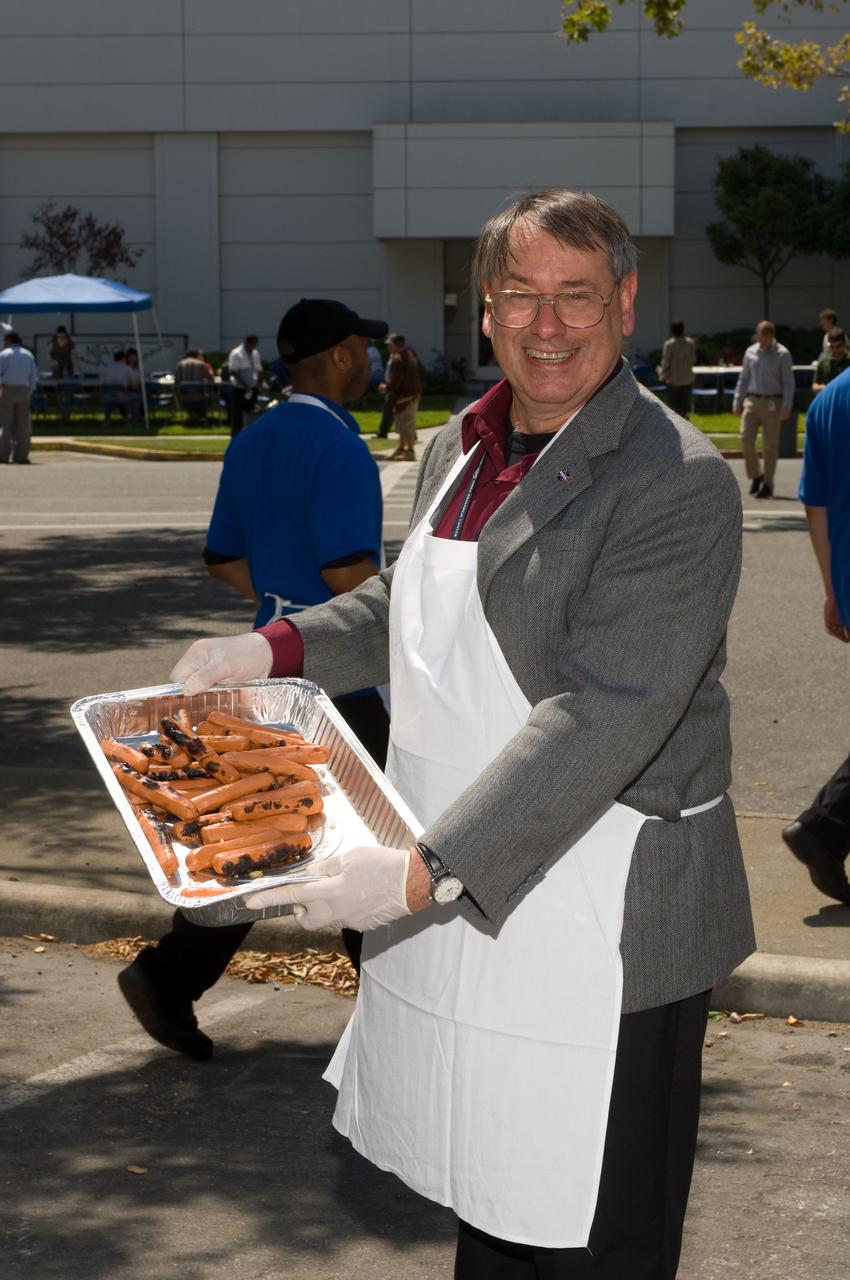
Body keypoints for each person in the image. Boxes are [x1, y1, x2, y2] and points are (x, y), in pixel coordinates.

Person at [170, 190, 755, 1277]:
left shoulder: (673, 479)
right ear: (484, 310)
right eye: (520, 295)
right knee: (491, 1191)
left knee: (592, 1226)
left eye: (575, 295)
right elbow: (407, 604)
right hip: (475, 895)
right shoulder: (458, 445)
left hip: (608, 915)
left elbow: (609, 707)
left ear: (624, 304)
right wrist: (275, 650)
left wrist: (420, 870)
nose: (547, 324)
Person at [117, 297, 391, 1061]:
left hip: (268, 662)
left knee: (272, 834)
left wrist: (279, 614)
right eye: (362, 349)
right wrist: (388, 625)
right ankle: (394, 1019)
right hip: (337, 677)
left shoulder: (256, 437)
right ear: (338, 355)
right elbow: (348, 571)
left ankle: (169, 977)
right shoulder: (339, 446)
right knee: (374, 847)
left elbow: (223, 558)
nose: (368, 361)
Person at [782, 367, 850, 905]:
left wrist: (833, 587)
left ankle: (825, 828)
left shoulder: (830, 400)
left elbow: (816, 501)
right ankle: (824, 827)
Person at [733, 319, 795, 500]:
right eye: (761, 338)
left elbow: (788, 382)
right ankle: (756, 474)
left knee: (770, 446)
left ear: (772, 337)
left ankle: (768, 483)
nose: (764, 342)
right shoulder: (750, 352)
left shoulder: (782, 354)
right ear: (758, 335)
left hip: (773, 403)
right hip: (752, 400)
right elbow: (744, 378)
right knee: (745, 438)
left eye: (767, 339)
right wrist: (737, 400)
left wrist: (786, 405)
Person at [380, 333, 421, 460]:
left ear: (395, 345)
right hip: (411, 395)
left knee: (406, 425)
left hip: (405, 397)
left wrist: (386, 387)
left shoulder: (399, 358)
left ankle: (409, 452)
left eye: (389, 345)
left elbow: (396, 379)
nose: (388, 347)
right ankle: (401, 449)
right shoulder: (409, 355)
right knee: (403, 424)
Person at [0, 331, 38, 464]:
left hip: (8, 389)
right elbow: (33, 375)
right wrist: (30, 391)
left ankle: (3, 455)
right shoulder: (28, 355)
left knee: (6, 424)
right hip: (24, 390)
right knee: (23, 425)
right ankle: (21, 455)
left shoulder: (4, 354)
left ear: (9, 340)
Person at [657, 319, 696, 419]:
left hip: (674, 379)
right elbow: (693, 360)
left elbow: (666, 363)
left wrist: (661, 374)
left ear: (672, 330)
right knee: (685, 407)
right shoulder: (690, 343)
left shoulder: (669, 344)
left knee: (675, 407)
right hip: (688, 378)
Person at [227, 333, 263, 436]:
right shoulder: (236, 353)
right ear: (247, 342)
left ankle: (250, 437)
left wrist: (260, 384)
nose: (254, 347)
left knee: (252, 414)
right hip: (239, 390)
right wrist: (245, 385)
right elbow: (233, 371)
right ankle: (235, 438)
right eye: (253, 344)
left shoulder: (255, 353)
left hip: (252, 390)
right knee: (237, 416)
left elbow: (259, 371)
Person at [174, 346, 214, 421]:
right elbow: (211, 379)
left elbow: (176, 382)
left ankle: (193, 414)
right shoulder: (201, 364)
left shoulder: (179, 364)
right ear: (196, 355)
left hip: (183, 397)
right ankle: (199, 414)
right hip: (201, 396)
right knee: (208, 394)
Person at [101, 349, 135, 425]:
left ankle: (107, 420)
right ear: (124, 359)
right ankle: (134, 419)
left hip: (108, 397)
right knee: (136, 397)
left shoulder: (107, 368)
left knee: (109, 400)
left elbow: (103, 384)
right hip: (122, 397)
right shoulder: (127, 368)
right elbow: (133, 385)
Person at [812, 328, 850, 394]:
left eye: (838, 346)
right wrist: (826, 387)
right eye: (832, 347)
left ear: (844, 344)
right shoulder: (823, 363)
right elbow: (814, 386)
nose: (835, 349)